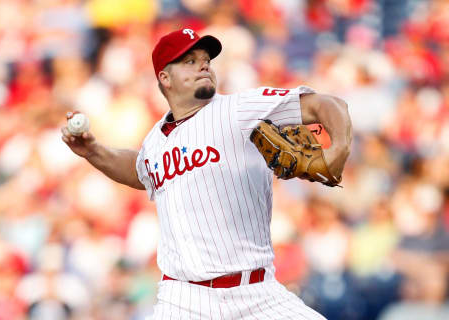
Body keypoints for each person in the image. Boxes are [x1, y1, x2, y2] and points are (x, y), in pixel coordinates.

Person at [61, 28, 352, 319]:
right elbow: (141, 171)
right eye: (189, 61)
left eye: (205, 60)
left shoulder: (239, 109)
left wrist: (337, 150)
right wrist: (93, 152)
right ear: (165, 77)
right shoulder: (155, 140)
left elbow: (326, 104)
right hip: (183, 299)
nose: (203, 64)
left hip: (257, 293)